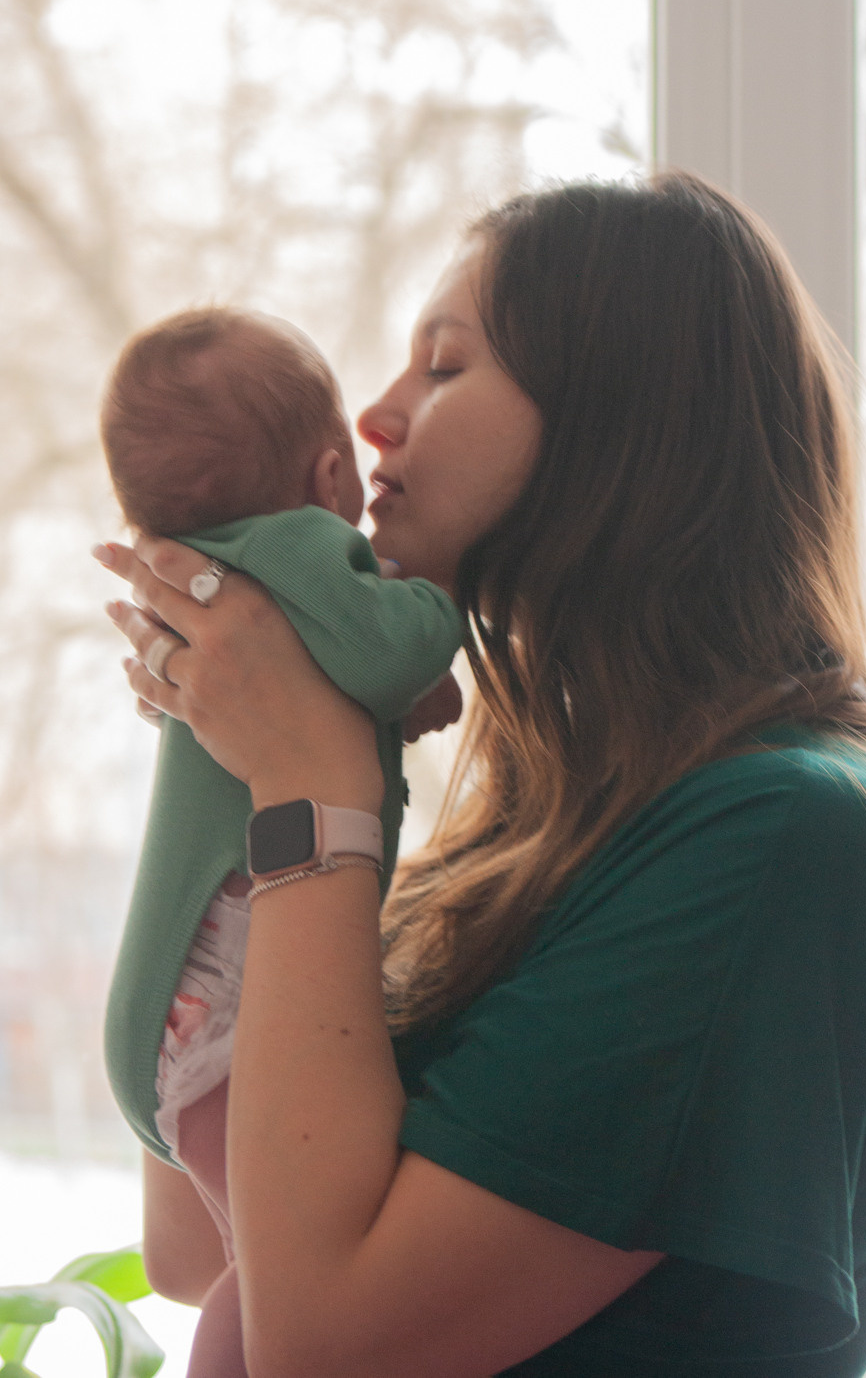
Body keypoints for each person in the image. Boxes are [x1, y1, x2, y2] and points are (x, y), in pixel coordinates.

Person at [96, 173, 866, 1377]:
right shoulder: (537, 838)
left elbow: (320, 1350)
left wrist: (306, 777)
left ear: (625, 420)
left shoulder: (782, 838)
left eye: (445, 369)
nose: (376, 419)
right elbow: (197, 1246)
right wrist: (233, 757)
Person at [99, 307, 464, 1375]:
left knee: (246, 1272)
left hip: (172, 1017)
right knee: (272, 1294)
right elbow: (388, 645)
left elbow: (170, 1256)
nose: (382, 417)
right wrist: (436, 609)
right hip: (230, 998)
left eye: (445, 368)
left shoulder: (222, 590)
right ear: (326, 476)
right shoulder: (301, 546)